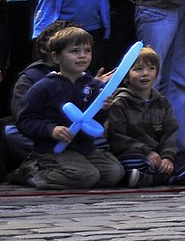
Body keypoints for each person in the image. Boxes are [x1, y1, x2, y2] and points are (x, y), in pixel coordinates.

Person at [15, 25, 125, 190]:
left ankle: (74, 174)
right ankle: (34, 172)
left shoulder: (92, 85)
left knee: (113, 173)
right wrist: (51, 129)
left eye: (87, 51)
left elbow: (94, 122)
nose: (82, 56)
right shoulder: (44, 86)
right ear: (56, 57)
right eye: (74, 51)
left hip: (84, 148)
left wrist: (103, 109)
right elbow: (25, 120)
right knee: (87, 176)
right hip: (53, 149)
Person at [105, 47, 185, 187]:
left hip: (158, 155)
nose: (145, 74)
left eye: (151, 68)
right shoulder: (120, 102)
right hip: (134, 153)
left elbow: (170, 133)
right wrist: (147, 152)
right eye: (138, 69)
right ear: (126, 76)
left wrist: (167, 157)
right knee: (132, 163)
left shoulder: (163, 102)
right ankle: (170, 176)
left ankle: (155, 175)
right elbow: (117, 137)